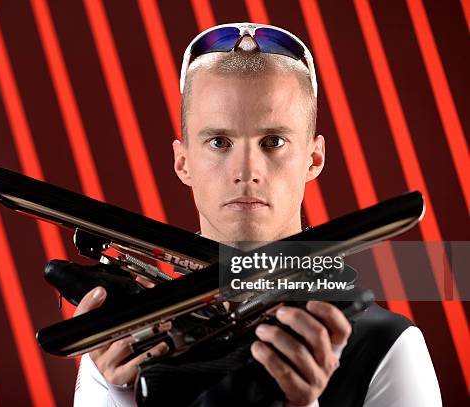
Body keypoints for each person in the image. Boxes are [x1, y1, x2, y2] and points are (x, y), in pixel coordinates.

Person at [72, 23, 441, 406]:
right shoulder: (120, 348)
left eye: (273, 141)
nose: (246, 169)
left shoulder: (390, 348)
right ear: (183, 163)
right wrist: (119, 394)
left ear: (314, 159)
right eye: (219, 142)